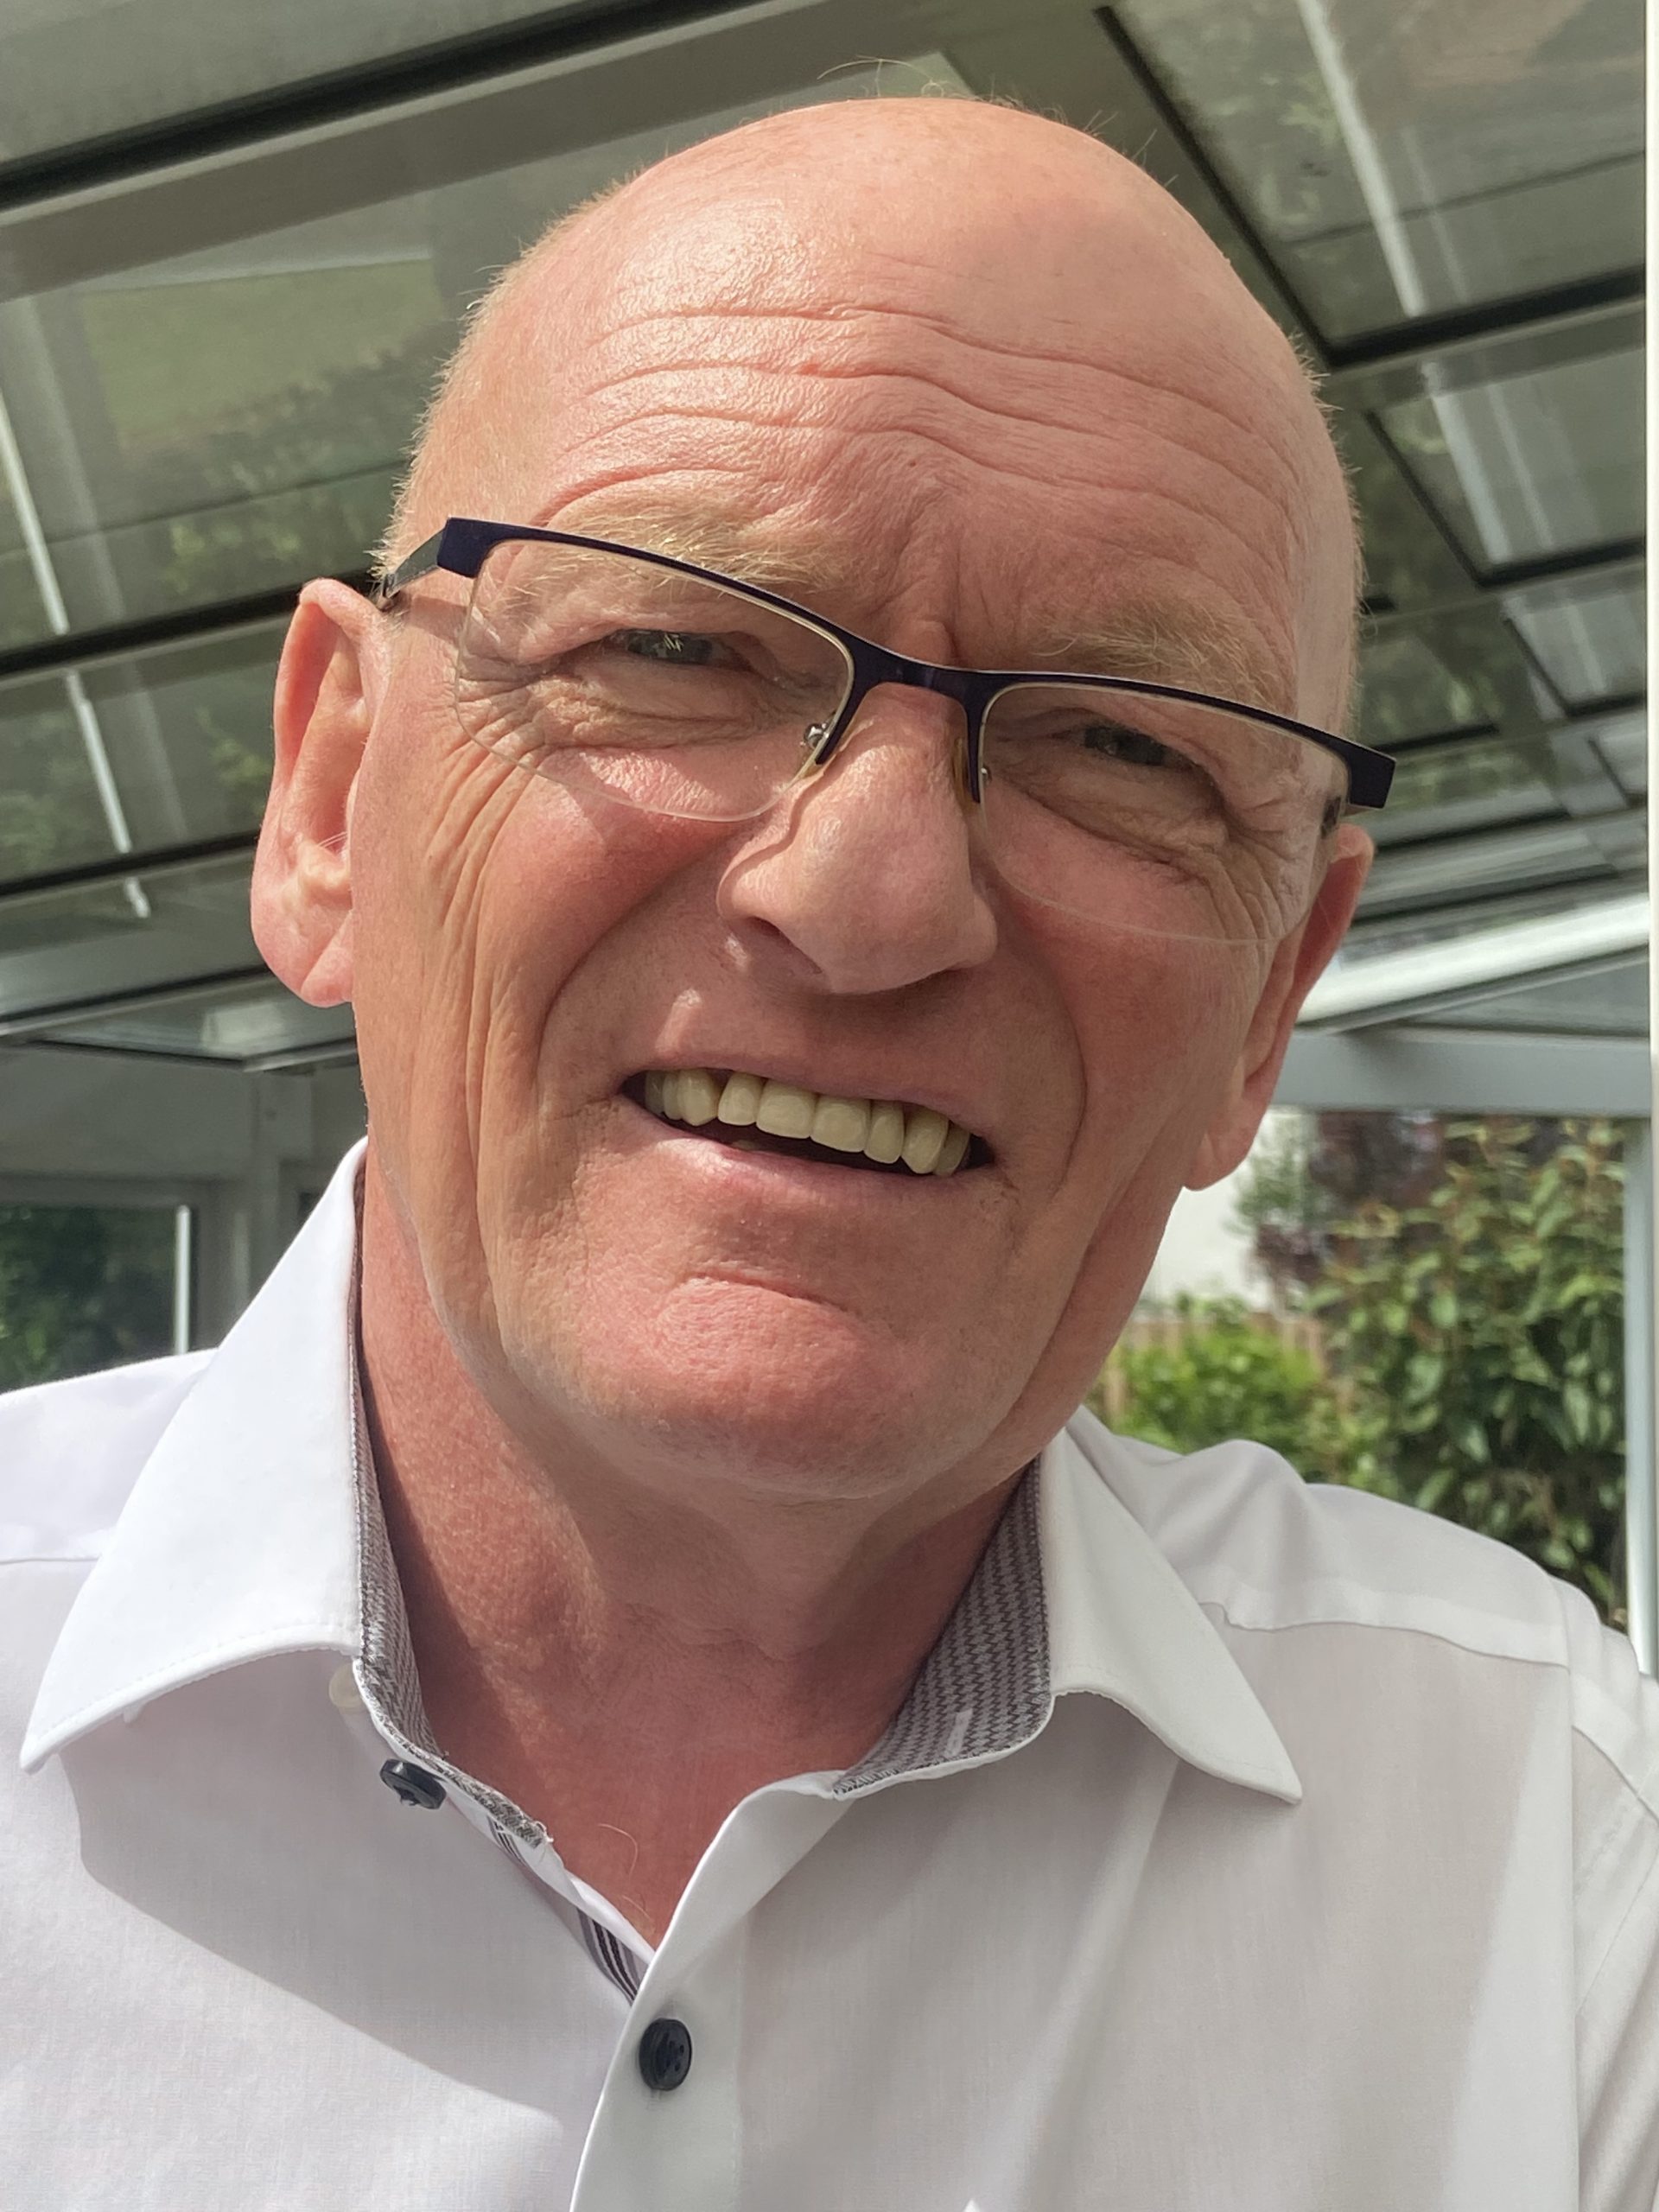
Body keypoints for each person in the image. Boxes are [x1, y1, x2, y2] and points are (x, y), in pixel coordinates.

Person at [3, 95, 1656, 2212]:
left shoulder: (1542, 1857)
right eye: (678, 648)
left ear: (1273, 997)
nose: (874, 899)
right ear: (331, 800)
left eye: (1125, 743)